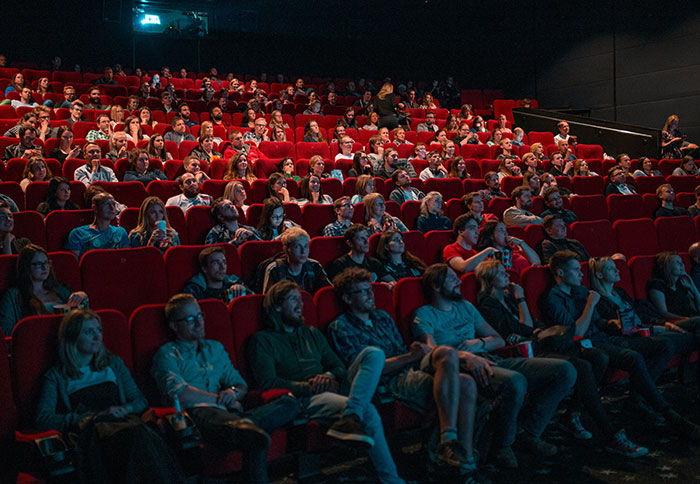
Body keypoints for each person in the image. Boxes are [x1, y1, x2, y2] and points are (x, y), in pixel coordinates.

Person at [475, 260, 648, 457]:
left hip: (545, 344)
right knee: (581, 367)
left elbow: (534, 324)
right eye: (500, 272)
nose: (507, 274)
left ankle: (572, 414)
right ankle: (610, 433)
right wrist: (522, 300)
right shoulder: (489, 303)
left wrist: (533, 323)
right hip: (529, 352)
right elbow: (522, 329)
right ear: (488, 279)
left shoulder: (510, 298)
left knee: (597, 357)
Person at [414, 264, 577, 467]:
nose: (458, 281)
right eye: (451, 278)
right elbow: (431, 351)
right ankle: (503, 445)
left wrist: (479, 343)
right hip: (462, 367)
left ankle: (529, 432)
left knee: (565, 370)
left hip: (490, 357)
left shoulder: (466, 306)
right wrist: (464, 355)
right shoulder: (425, 313)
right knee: (515, 382)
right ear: (436, 286)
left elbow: (498, 340)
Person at [249, 280, 407, 484]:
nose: (300, 304)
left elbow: (339, 367)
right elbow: (268, 382)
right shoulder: (262, 340)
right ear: (277, 306)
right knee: (368, 411)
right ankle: (391, 480)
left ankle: (351, 415)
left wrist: (329, 376)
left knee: (374, 354)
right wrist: (310, 386)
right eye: (293, 299)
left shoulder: (311, 333)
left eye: (301, 299)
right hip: (305, 399)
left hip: (335, 388)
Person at [328, 268, 478, 474]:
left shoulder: (382, 317)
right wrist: (410, 356)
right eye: (363, 291)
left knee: (447, 354)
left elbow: (401, 351)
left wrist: (414, 353)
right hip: (391, 380)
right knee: (464, 385)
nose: (371, 294)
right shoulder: (341, 326)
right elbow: (367, 372)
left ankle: (455, 448)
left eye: (370, 289)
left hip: (410, 367)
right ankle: (458, 462)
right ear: (347, 298)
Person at [543, 250, 700, 440]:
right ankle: (670, 415)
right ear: (560, 273)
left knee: (663, 345)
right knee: (632, 357)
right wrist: (590, 305)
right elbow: (576, 333)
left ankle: (637, 400)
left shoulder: (581, 291)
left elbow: (598, 322)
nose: (581, 274)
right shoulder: (553, 298)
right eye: (576, 270)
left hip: (606, 337)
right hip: (585, 344)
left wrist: (612, 323)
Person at [152, 294, 298, 483]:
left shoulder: (215, 348)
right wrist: (219, 399)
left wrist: (232, 393)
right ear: (174, 326)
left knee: (289, 402)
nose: (199, 323)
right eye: (190, 319)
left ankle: (247, 427)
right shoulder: (167, 354)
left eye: (200, 315)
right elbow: (179, 394)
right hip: (197, 416)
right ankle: (247, 429)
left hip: (229, 413)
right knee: (251, 435)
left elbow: (240, 384)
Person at [35, 309, 187, 483]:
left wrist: (126, 408)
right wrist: (91, 417)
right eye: (89, 332)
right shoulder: (56, 376)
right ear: (72, 337)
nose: (97, 336)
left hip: (126, 424)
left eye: (99, 330)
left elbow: (139, 400)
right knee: (136, 438)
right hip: (93, 434)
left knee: (138, 435)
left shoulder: (113, 363)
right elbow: (43, 418)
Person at [0, 244, 88, 334]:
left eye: (46, 262)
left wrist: (83, 298)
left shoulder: (61, 291)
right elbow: (7, 330)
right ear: (26, 267)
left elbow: (82, 321)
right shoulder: (13, 296)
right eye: (38, 264)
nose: (44, 267)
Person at [259, 227, 330, 294]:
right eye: (298, 247)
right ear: (286, 249)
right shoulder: (275, 269)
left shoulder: (314, 266)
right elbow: (269, 301)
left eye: (306, 246)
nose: (303, 251)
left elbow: (327, 293)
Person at [65, 192, 129, 259]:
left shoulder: (120, 232)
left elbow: (126, 260)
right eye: (107, 204)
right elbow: (75, 264)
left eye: (113, 204)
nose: (112, 208)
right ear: (95, 208)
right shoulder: (78, 234)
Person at [326, 224, 395, 285]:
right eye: (361, 238)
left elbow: (392, 281)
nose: (366, 241)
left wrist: (389, 285)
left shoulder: (374, 262)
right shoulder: (340, 264)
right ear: (350, 243)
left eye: (367, 237)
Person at [183, 247, 250, 300]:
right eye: (216, 263)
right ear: (204, 268)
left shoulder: (234, 282)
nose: (222, 267)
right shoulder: (195, 290)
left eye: (224, 262)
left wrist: (243, 289)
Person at [475, 221, 540, 274]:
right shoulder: (487, 256)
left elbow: (536, 262)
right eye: (501, 230)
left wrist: (521, 243)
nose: (505, 234)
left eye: (505, 230)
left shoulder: (516, 249)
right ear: (491, 235)